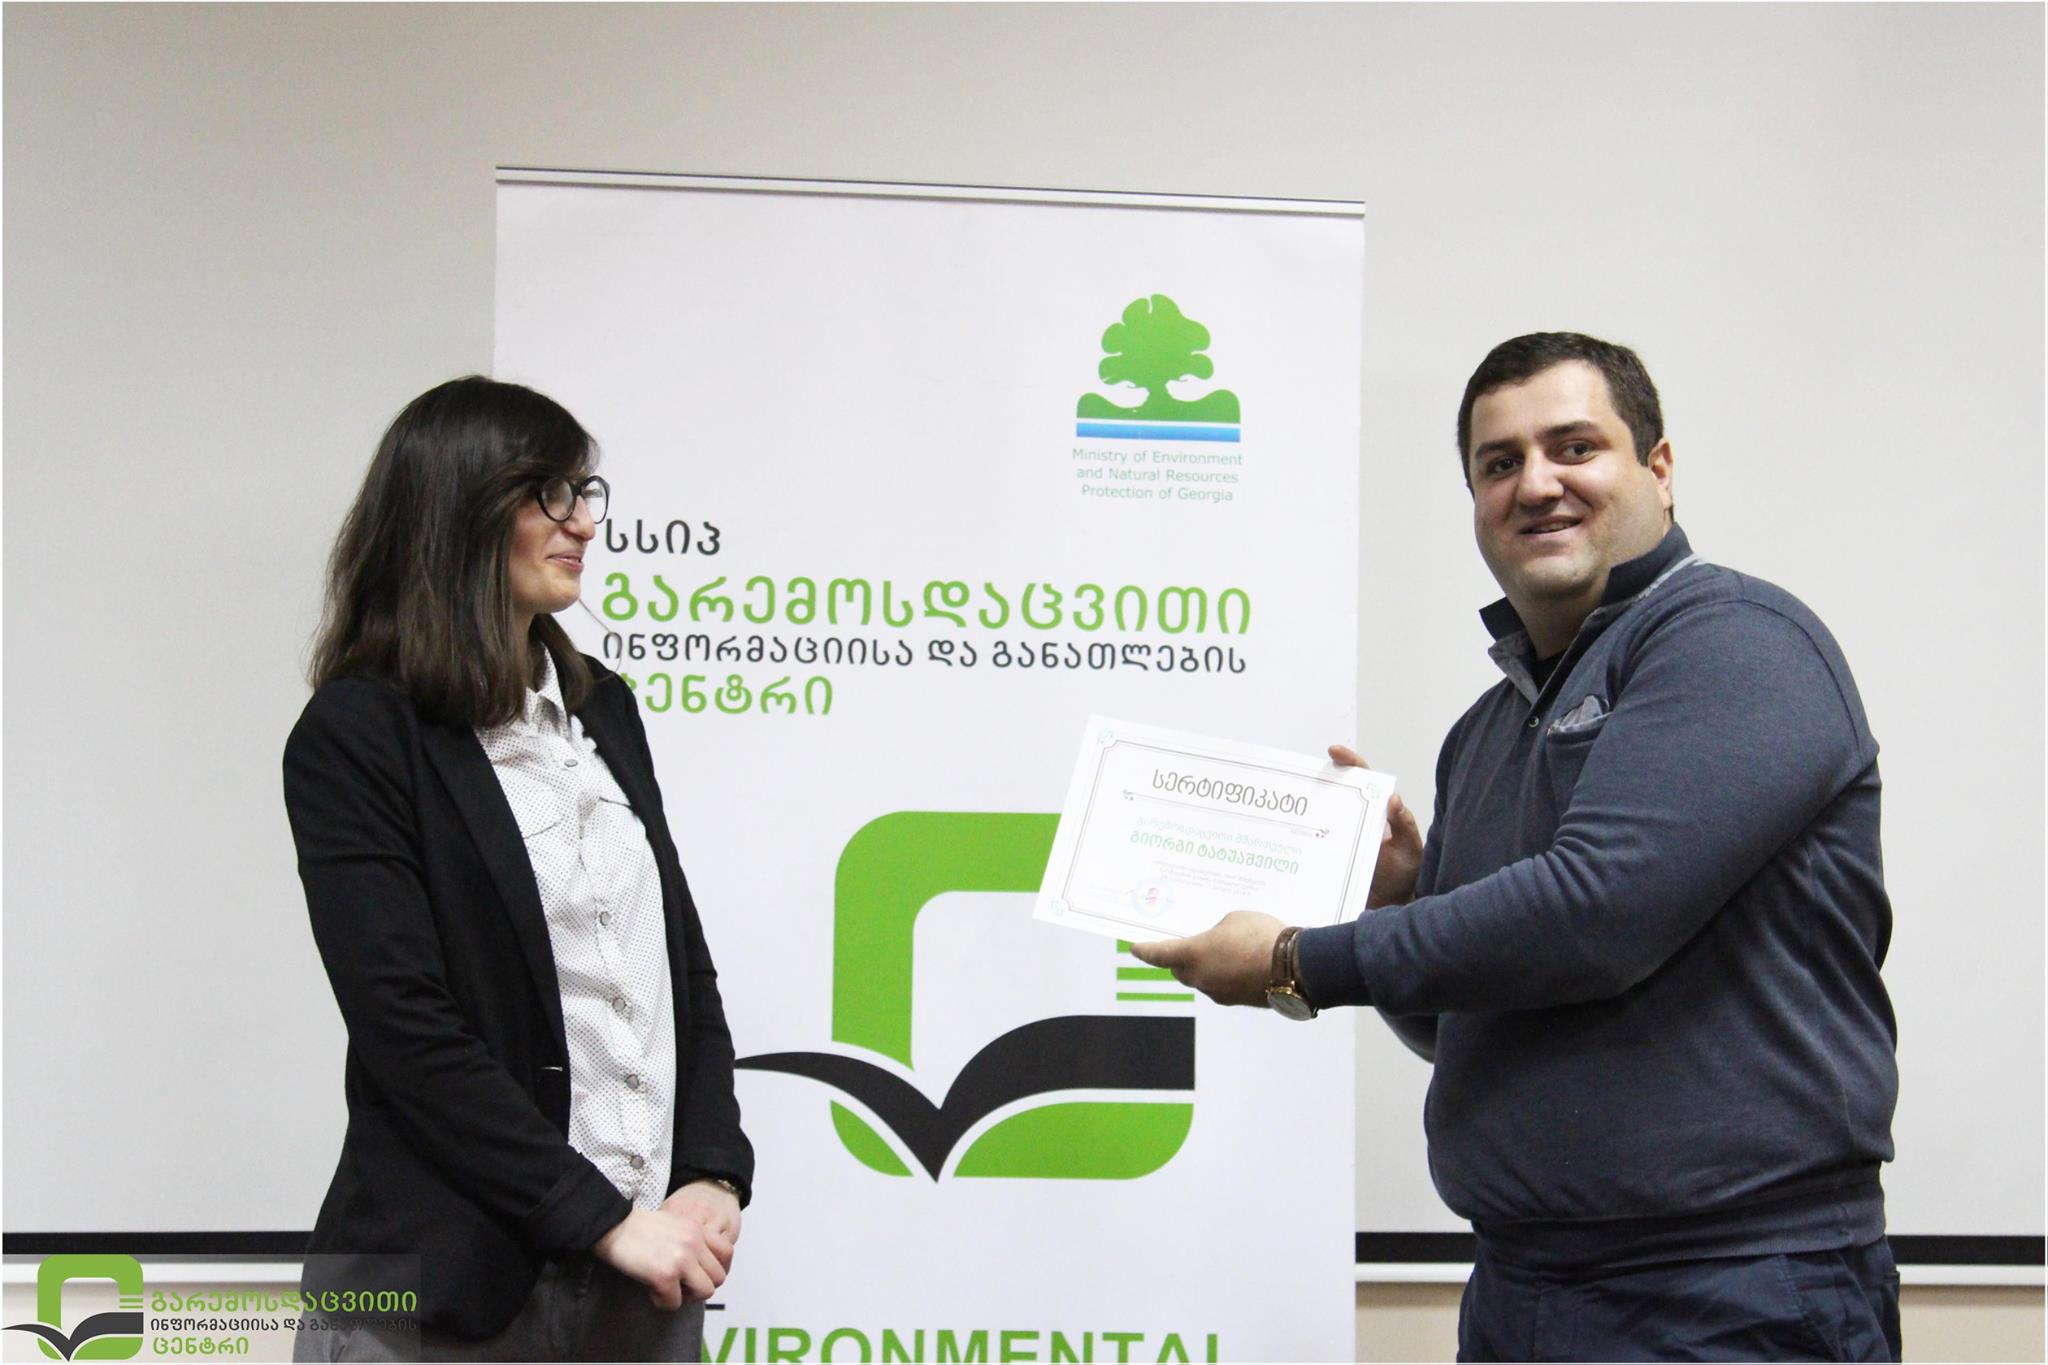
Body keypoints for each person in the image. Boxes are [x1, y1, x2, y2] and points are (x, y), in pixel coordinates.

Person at [1135, 333, 1901, 1361]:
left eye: (1574, 447)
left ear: (1659, 469)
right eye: (1499, 464)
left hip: (1729, 1290)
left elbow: (1595, 917)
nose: (1535, 484)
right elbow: (1463, 1024)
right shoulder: (1482, 733)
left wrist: (1292, 961)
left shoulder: (1737, 640)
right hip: (1519, 1286)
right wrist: (1400, 901)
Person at [284, 376, 754, 1360]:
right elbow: (406, 1027)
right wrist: (595, 1215)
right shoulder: (360, 731)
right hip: (444, 1295)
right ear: (456, 510)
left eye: (585, 491)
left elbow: (676, 968)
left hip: (640, 1288)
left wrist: (711, 1169)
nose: (582, 520)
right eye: (550, 492)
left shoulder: (603, 707)